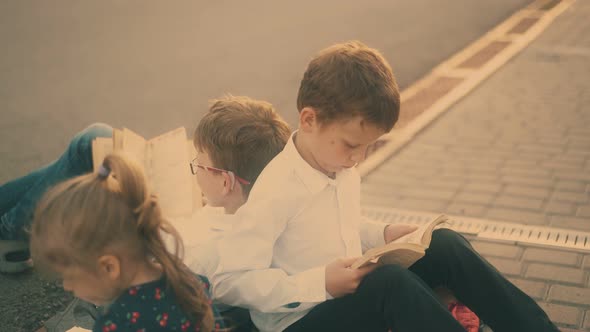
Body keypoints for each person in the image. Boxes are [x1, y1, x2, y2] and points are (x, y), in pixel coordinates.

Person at [211, 40, 559, 332]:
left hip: (346, 300)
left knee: (444, 244)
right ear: (309, 119)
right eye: (351, 145)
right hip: (300, 320)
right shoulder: (277, 188)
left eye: (369, 147)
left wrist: (386, 234)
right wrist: (320, 283)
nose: (358, 158)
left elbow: (335, 228)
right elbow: (230, 282)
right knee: (389, 284)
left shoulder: (337, 165)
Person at [30, 152, 223, 331]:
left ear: (109, 267)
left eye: (69, 277)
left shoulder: (118, 323)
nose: (66, 286)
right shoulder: (190, 281)